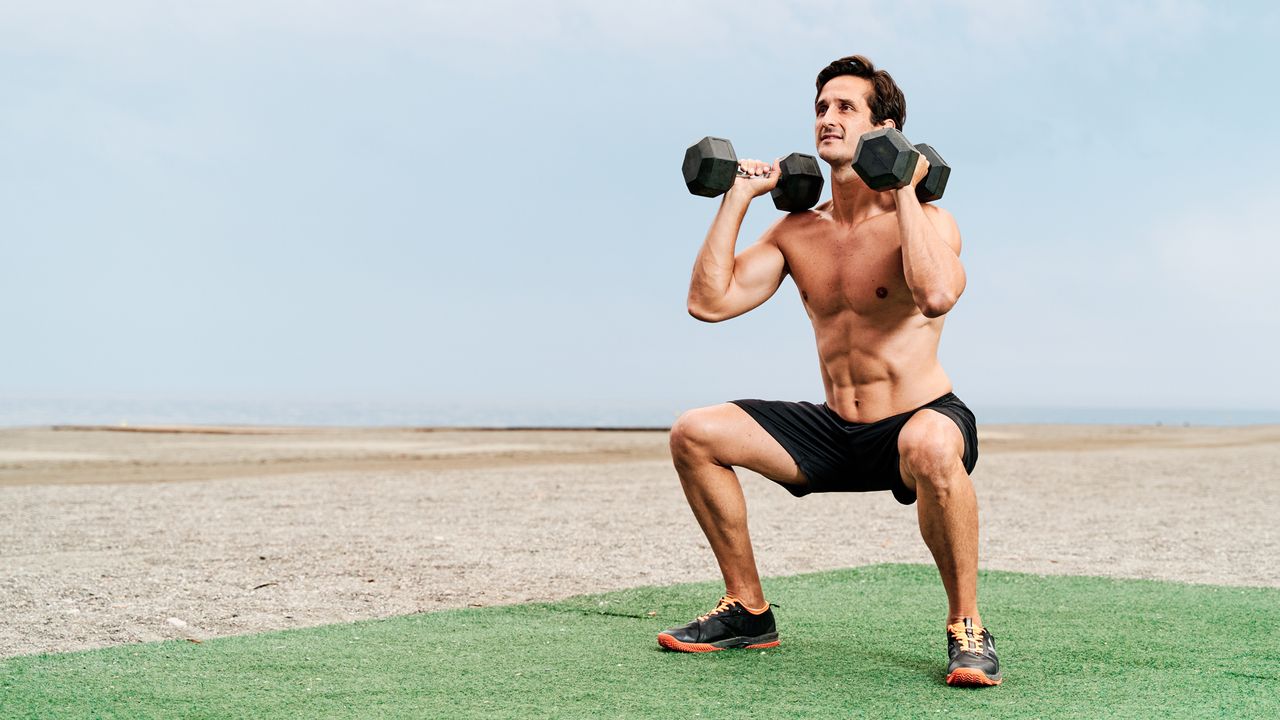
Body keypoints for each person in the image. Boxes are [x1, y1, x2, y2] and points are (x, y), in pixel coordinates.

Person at [658, 55, 1000, 687]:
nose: (828, 119)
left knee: (929, 443)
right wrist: (738, 198)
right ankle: (748, 610)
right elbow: (709, 303)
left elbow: (936, 296)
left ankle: (967, 627)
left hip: (916, 424)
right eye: (821, 108)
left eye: (846, 108)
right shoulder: (798, 232)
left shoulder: (927, 223)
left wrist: (902, 187)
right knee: (694, 432)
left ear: (885, 129)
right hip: (835, 431)